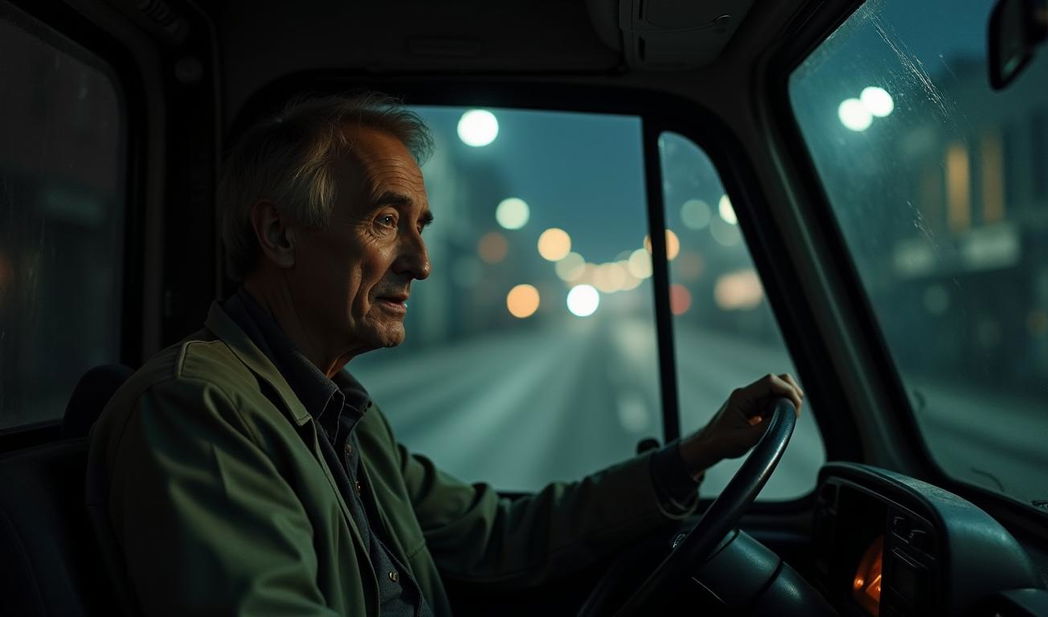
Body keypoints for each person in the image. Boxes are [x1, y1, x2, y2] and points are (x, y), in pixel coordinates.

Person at [86, 93, 803, 617]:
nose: (422, 263)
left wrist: (691, 456)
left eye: (419, 225)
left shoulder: (343, 413)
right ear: (278, 235)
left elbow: (496, 535)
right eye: (385, 220)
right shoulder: (199, 410)